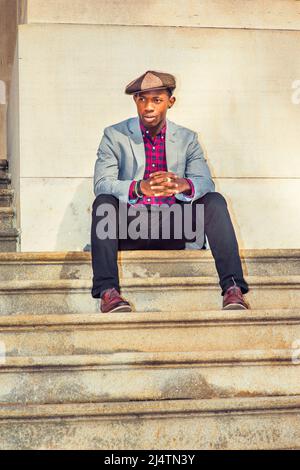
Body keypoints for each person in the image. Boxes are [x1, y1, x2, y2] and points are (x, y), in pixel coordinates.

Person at [91, 70, 249, 313]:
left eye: (157, 100)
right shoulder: (114, 135)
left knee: (215, 201)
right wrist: (138, 187)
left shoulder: (187, 139)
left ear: (170, 102)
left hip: (174, 226)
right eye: (142, 99)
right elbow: (102, 183)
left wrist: (184, 185)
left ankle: (233, 289)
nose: (148, 107)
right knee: (104, 202)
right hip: (133, 226)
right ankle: (108, 293)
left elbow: (205, 182)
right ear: (135, 101)